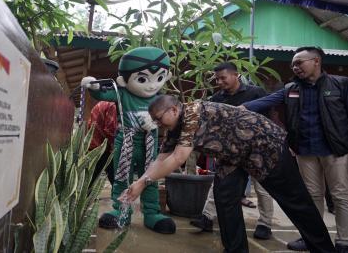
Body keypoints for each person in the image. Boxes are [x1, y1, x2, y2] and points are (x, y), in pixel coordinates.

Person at [121, 95, 335, 253]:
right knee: (224, 198)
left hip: (265, 146)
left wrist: (144, 182)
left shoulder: (192, 113)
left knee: (295, 201)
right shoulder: (174, 127)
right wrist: (139, 182)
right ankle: (236, 250)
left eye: (159, 119)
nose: (158, 124)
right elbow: (160, 159)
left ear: (174, 110)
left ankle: (324, 249)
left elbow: (178, 158)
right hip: (234, 156)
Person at [243, 46, 348, 252]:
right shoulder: (291, 88)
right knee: (312, 196)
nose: (295, 67)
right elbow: (265, 101)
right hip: (305, 151)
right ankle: (314, 238)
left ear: (316, 61)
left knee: (341, 195)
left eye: (299, 62)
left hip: (335, 150)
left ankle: (344, 240)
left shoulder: (340, 84)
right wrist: (238, 108)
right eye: (293, 64)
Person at [81, 47, 176, 234]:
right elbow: (102, 94)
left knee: (150, 179)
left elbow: (171, 118)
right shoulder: (122, 93)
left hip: (151, 144)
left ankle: (152, 213)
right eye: (142, 79)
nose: (151, 85)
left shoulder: (161, 99)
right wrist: (93, 86)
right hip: (124, 142)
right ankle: (121, 211)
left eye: (159, 78)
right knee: (121, 178)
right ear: (124, 80)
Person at [190, 62, 275, 240]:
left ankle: (265, 224)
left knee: (263, 188)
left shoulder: (256, 93)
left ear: (235, 75)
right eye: (217, 79)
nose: (220, 82)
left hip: (258, 150)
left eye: (223, 78)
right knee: (219, 184)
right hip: (230, 151)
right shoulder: (217, 98)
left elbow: (270, 118)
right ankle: (207, 217)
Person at [88, 101, 117, 186]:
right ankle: (119, 196)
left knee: (92, 175)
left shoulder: (98, 104)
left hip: (94, 144)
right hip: (103, 146)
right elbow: (110, 129)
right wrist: (112, 145)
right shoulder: (111, 106)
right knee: (113, 175)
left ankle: (87, 197)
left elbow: (90, 123)